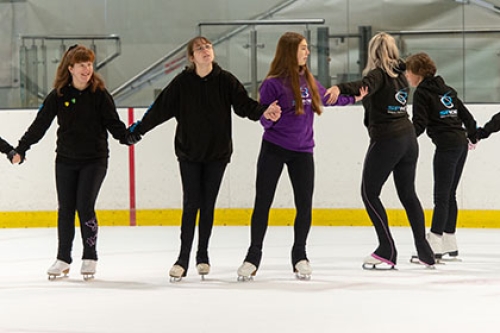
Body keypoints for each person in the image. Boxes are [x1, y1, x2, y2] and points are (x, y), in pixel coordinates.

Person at [127, 36, 281, 282]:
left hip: (217, 155)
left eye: (207, 46)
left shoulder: (226, 80)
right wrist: (137, 131)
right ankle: (182, 258)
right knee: (191, 205)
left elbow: (244, 106)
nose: (205, 50)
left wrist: (264, 111)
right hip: (189, 154)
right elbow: (160, 109)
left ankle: (202, 255)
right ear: (191, 57)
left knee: (207, 205)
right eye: (199, 48)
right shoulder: (182, 83)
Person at [236, 32, 367, 281]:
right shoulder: (272, 83)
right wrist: (268, 115)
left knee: (304, 205)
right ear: (290, 51)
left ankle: (300, 256)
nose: (307, 52)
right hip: (274, 149)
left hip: (303, 152)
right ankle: (253, 257)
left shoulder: (307, 79)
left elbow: (326, 98)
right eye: (303, 48)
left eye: (307, 48)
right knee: (263, 202)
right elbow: (264, 118)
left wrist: (353, 98)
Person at [10, 44, 138, 280]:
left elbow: (115, 125)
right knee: (65, 209)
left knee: (84, 205)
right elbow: (40, 125)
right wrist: (21, 148)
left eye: (89, 64)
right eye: (81, 65)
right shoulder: (59, 96)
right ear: (70, 68)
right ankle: (63, 259)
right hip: (66, 160)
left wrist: (129, 136)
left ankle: (90, 256)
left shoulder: (100, 95)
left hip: (95, 160)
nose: (86, 69)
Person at [325, 32, 435, 269]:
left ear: (372, 52)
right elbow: (421, 67)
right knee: (408, 194)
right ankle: (425, 250)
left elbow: (363, 85)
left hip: (388, 139)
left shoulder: (378, 74)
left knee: (369, 192)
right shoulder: (402, 73)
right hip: (408, 139)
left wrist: (339, 87)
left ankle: (387, 248)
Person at [405, 52, 477, 260]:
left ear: (418, 73)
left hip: (446, 146)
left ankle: (434, 242)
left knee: (441, 196)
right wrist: (472, 136)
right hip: (460, 144)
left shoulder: (421, 93)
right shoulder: (447, 90)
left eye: (409, 72)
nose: (407, 77)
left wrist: (403, 138)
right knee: (450, 194)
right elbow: (467, 118)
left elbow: (419, 123)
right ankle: (449, 241)